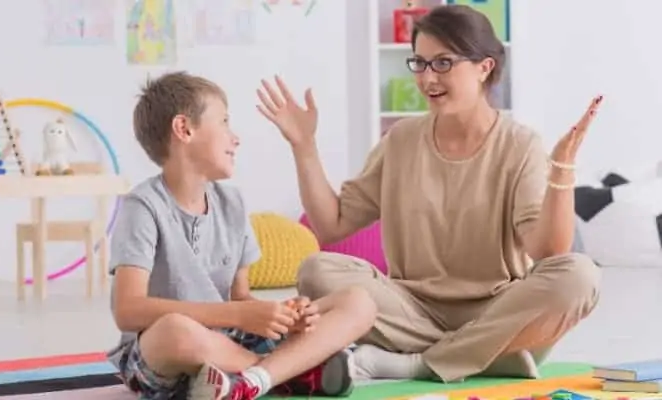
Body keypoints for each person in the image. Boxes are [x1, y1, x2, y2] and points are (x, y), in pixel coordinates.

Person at [256, 4, 601, 384]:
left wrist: (562, 168)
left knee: (579, 275)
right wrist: (304, 145)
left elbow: (548, 251)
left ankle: (419, 363)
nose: (426, 78)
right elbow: (331, 227)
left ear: (485, 67)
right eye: (419, 63)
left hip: (495, 309)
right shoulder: (401, 139)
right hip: (409, 308)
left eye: (442, 63)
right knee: (316, 270)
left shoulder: (520, 145)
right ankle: (488, 354)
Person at [107, 71, 377, 400]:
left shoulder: (232, 203)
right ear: (184, 129)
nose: (235, 138)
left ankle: (247, 380)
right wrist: (238, 315)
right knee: (175, 329)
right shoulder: (142, 207)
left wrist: (282, 316)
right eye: (224, 122)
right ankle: (286, 372)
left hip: (230, 343)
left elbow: (241, 297)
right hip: (162, 355)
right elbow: (128, 310)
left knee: (357, 301)